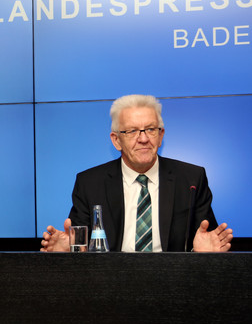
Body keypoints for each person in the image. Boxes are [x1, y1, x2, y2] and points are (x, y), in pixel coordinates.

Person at [41, 94, 233, 253]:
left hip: (174, 283)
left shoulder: (191, 179)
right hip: (109, 284)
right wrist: (68, 252)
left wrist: (202, 254)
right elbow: (79, 247)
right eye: (132, 131)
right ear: (116, 141)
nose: (143, 139)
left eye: (150, 129)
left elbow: (207, 241)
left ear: (161, 135)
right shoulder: (89, 183)